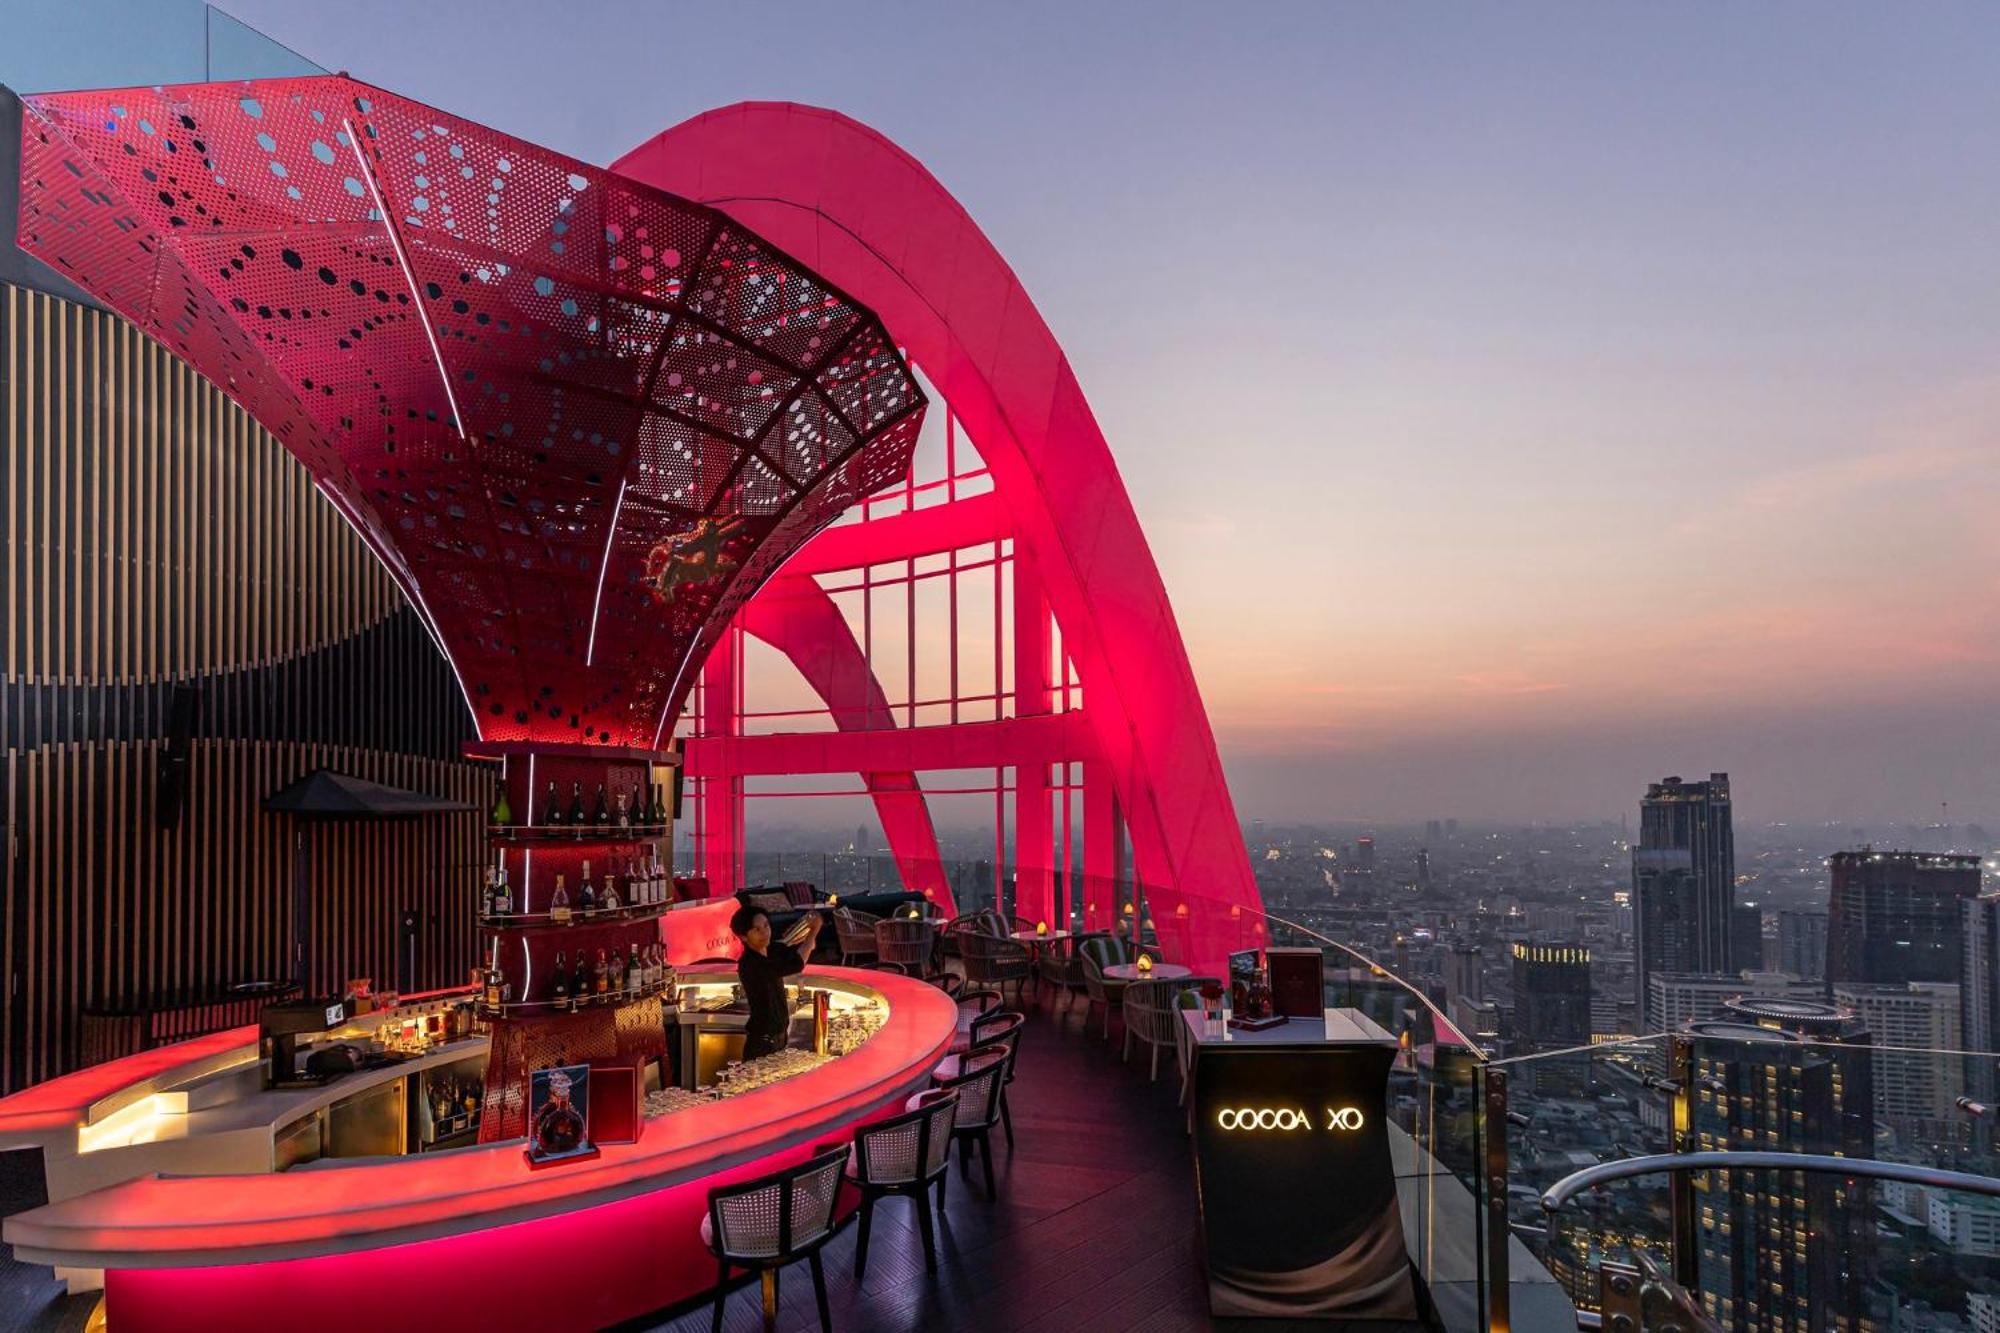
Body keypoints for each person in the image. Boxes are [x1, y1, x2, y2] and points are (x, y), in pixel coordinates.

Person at [731, 902, 823, 1060]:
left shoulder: (770, 950)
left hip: (779, 1038)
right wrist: (814, 931)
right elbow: (796, 963)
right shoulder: (750, 963)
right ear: (743, 936)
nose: (764, 932)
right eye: (757, 929)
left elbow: (795, 949)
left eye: (766, 926)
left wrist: (803, 931)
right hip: (762, 1042)